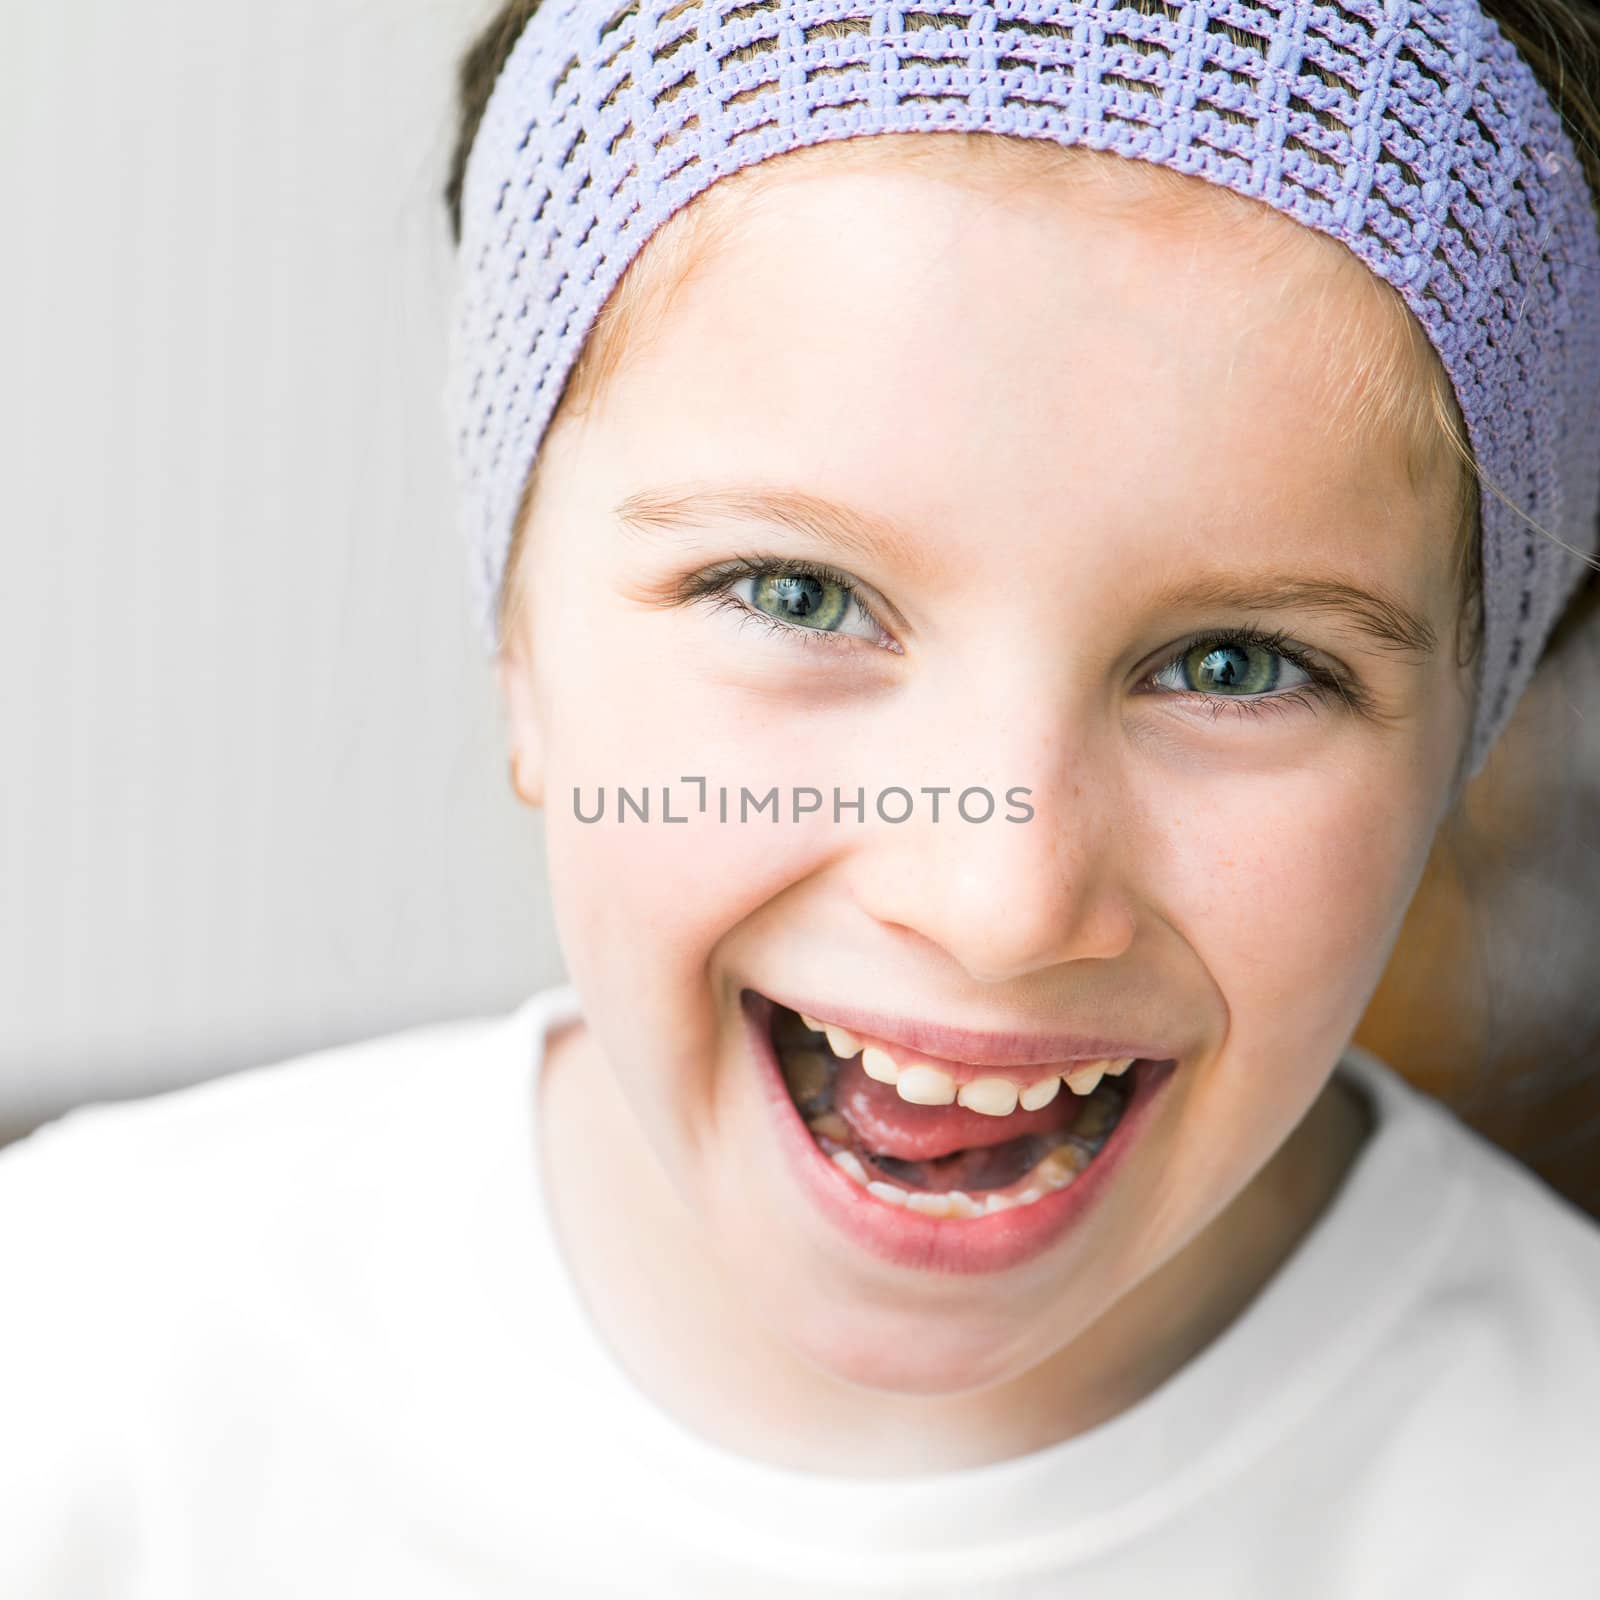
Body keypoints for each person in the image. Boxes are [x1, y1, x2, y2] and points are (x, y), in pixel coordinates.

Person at [4, 0, 1599, 1593]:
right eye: (799, 594)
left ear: (1467, 730)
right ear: (521, 646)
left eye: (1239, 667)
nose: (1001, 902)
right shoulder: (86, 1356)